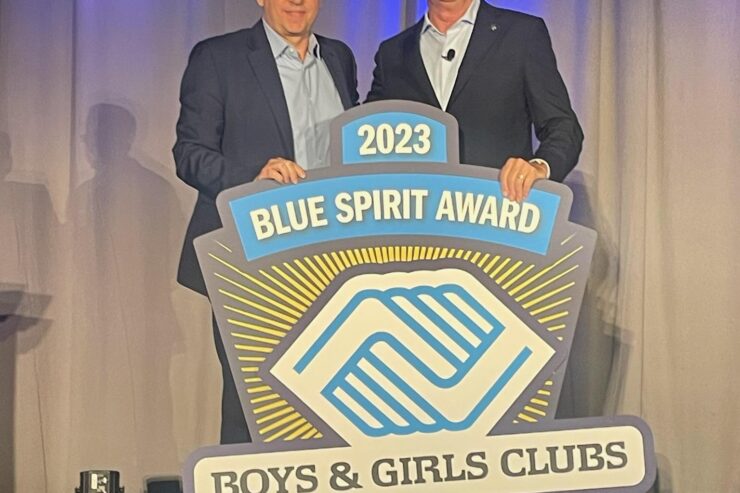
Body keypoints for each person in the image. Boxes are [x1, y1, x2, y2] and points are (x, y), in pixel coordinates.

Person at [173, 0, 359, 444]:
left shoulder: (339, 57)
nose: (296, 2)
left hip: (331, 259)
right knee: (254, 404)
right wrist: (253, 178)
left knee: (330, 403)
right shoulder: (218, 57)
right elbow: (190, 154)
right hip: (251, 257)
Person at [366, 0, 583, 202]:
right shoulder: (392, 53)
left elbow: (562, 126)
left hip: (497, 212)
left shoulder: (521, 34)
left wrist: (539, 166)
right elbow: (367, 135)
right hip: (417, 216)